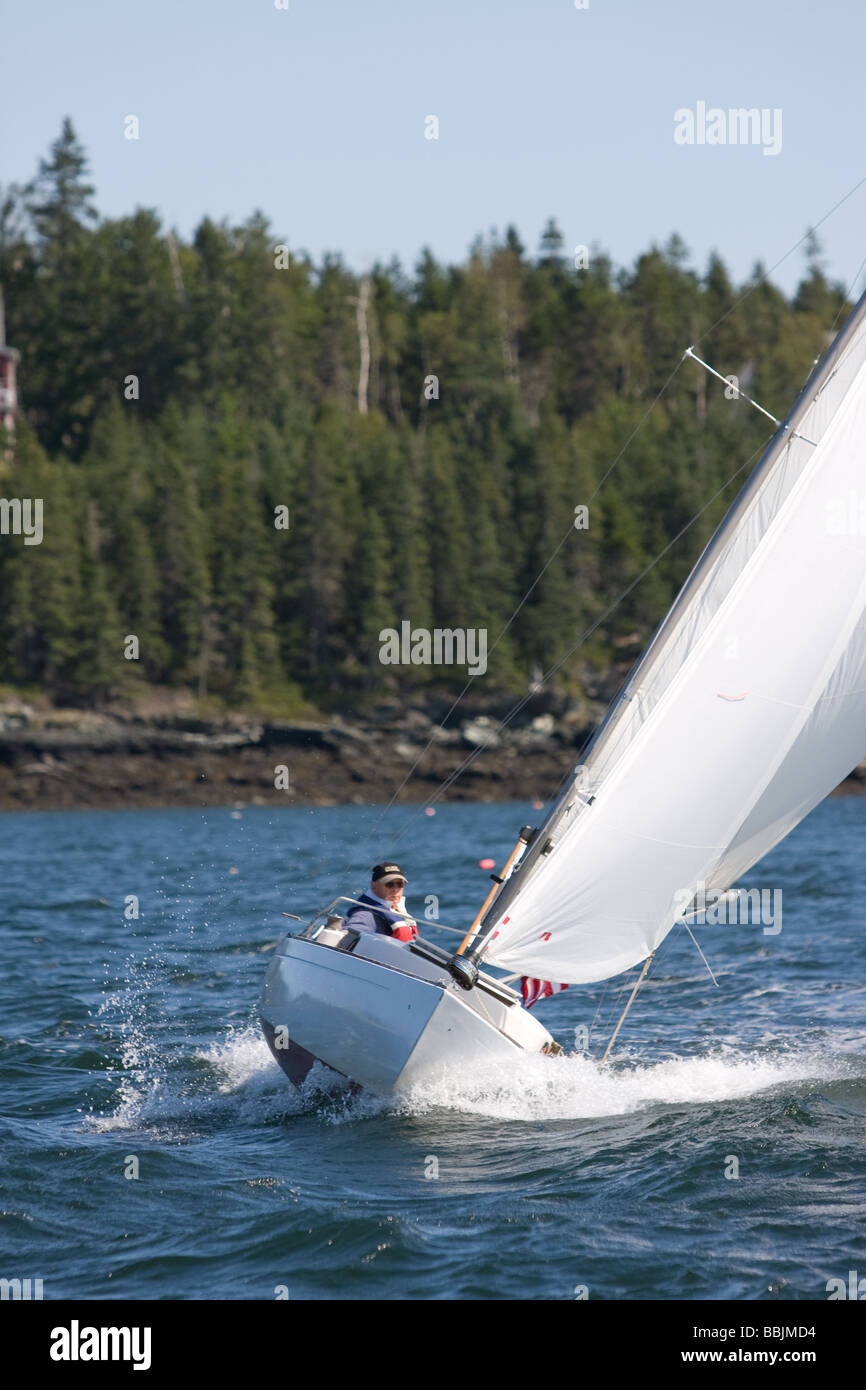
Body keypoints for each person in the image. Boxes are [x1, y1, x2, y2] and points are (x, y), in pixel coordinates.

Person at [345, 862, 419, 942]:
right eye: (389, 884)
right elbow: (350, 934)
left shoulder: (397, 910)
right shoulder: (366, 914)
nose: (395, 889)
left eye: (399, 884)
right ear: (374, 886)